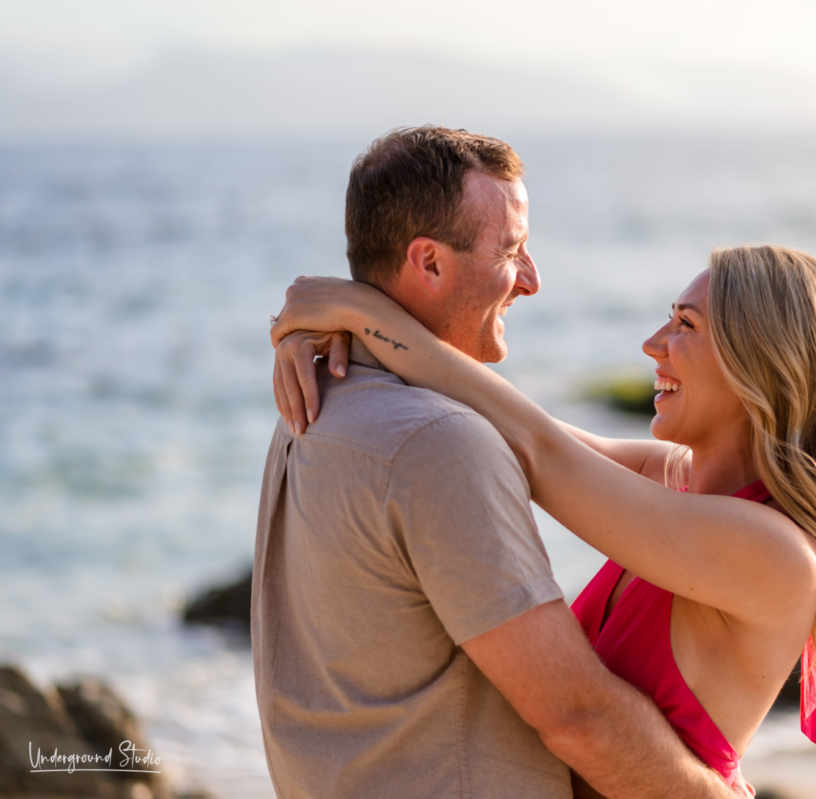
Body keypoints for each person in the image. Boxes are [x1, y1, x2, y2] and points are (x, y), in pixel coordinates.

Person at [271, 238, 816, 794]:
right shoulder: (672, 480)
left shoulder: (775, 554)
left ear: (758, 362)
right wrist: (343, 340)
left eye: (684, 325)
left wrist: (358, 308)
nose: (652, 344)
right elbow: (515, 427)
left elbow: (539, 449)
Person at [252, 126, 747, 799]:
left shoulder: (311, 406)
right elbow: (579, 716)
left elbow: (625, 464)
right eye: (512, 251)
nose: (533, 280)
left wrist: (356, 311)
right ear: (427, 263)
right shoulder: (440, 442)